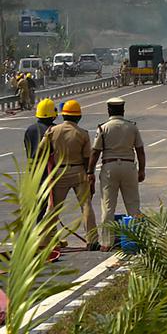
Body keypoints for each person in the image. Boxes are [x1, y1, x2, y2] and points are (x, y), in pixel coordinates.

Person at [87, 97, 146, 251]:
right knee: (133, 205)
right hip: (129, 167)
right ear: (123, 110)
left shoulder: (103, 128)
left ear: (109, 111)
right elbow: (140, 150)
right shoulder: (132, 127)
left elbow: (95, 152)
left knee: (108, 206)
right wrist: (142, 170)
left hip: (109, 167)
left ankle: (107, 242)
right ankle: (137, 240)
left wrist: (90, 172)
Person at [47, 99, 99, 250]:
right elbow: (87, 158)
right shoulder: (82, 134)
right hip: (78, 171)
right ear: (79, 117)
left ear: (63, 115)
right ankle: (92, 240)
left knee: (53, 208)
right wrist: (90, 176)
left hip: (59, 171)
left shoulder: (52, 131)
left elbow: (42, 152)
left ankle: (47, 241)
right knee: (86, 205)